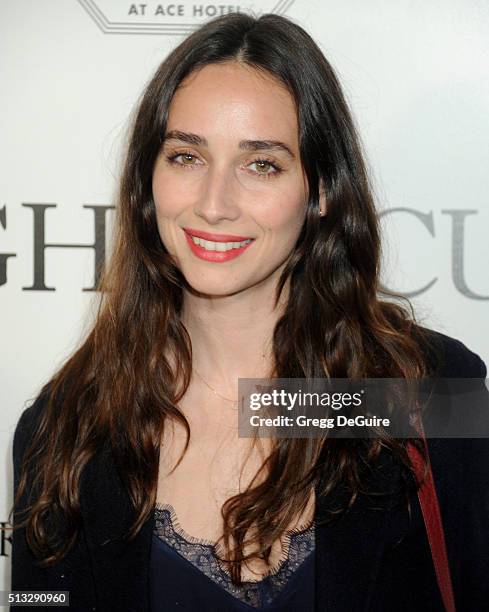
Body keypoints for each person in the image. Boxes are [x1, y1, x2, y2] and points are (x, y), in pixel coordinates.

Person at [10, 11, 489, 612]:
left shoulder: (433, 392)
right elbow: (35, 604)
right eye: (186, 156)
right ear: (146, 180)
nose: (214, 205)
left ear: (320, 192)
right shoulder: (64, 428)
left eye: (261, 163)